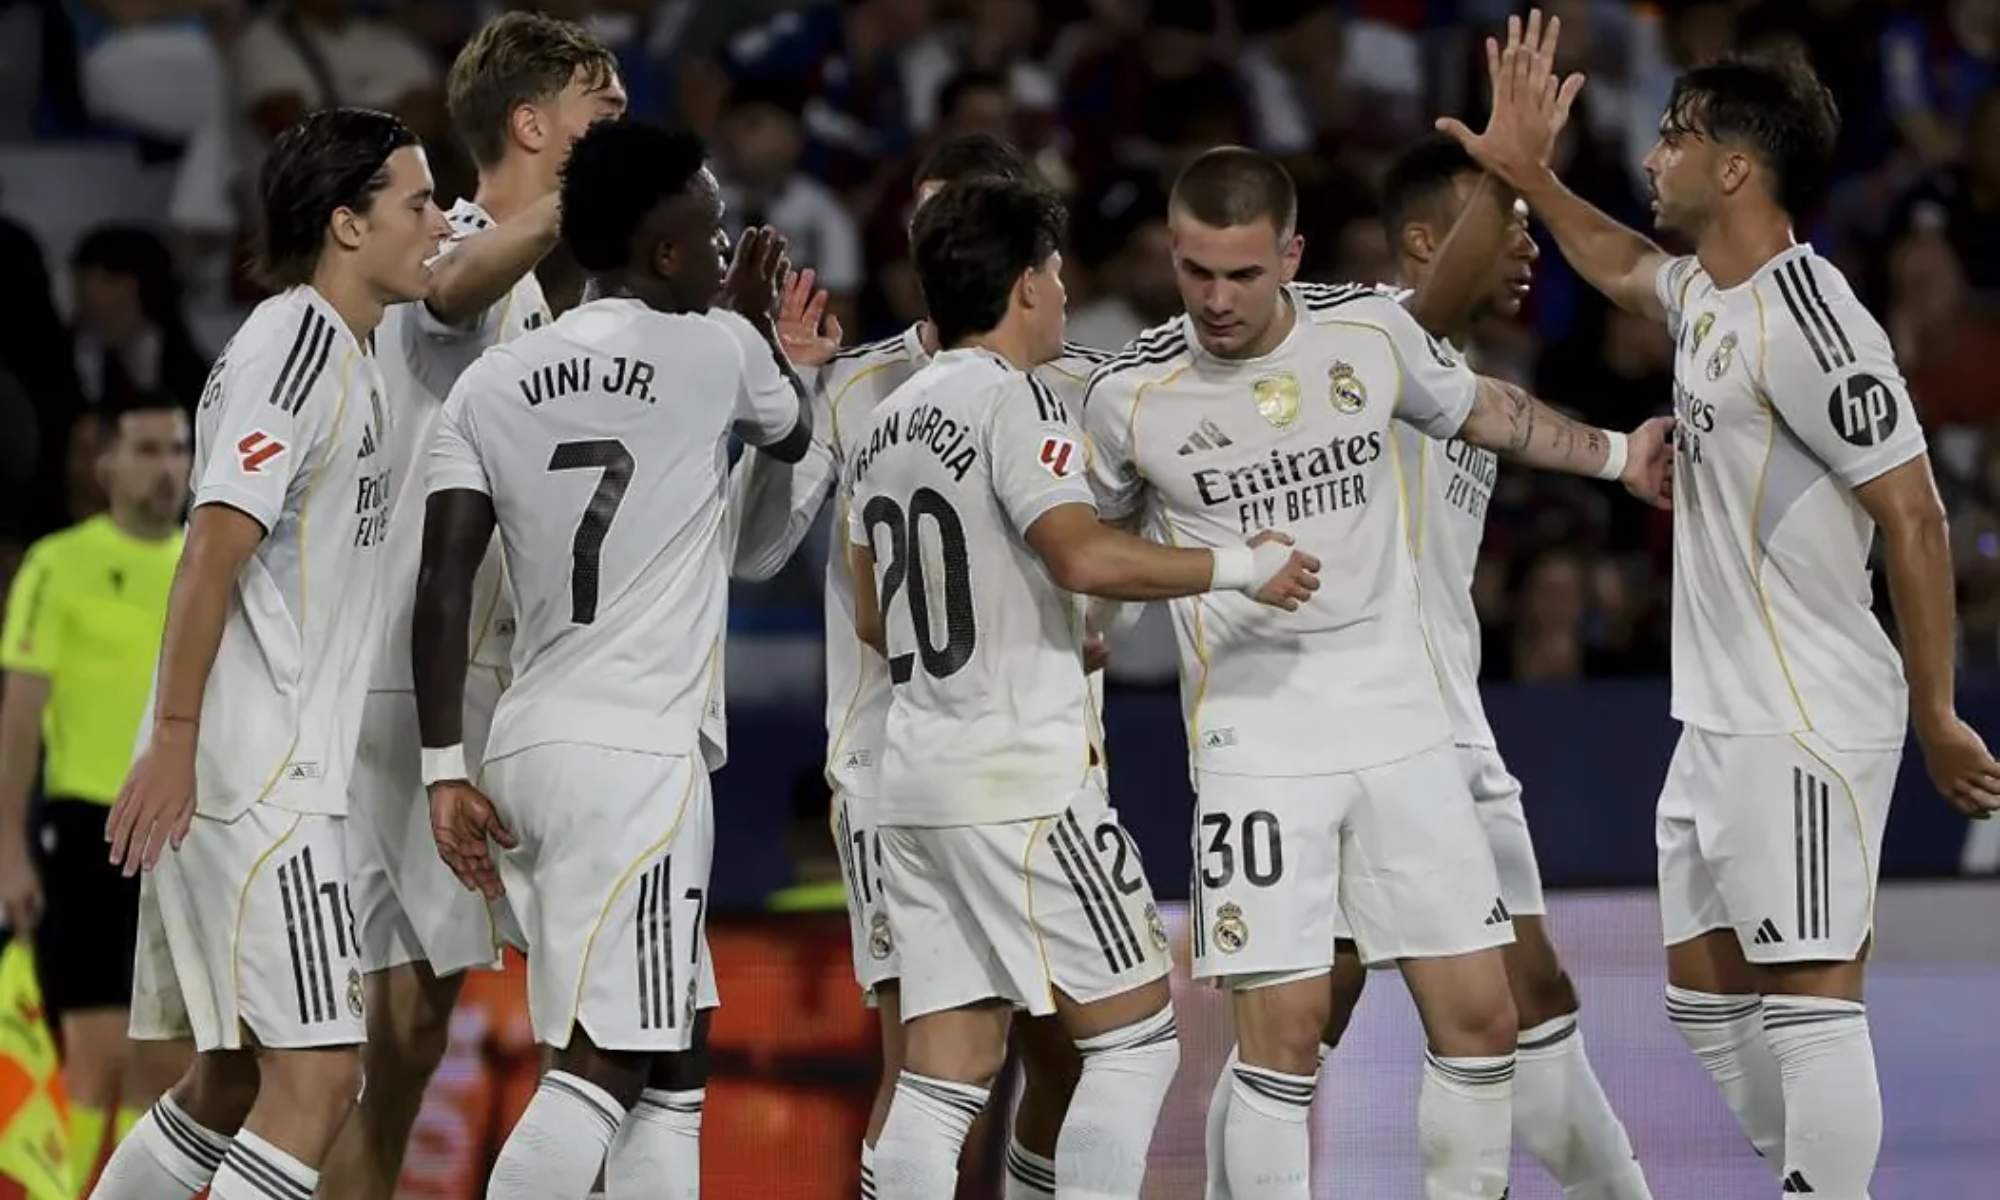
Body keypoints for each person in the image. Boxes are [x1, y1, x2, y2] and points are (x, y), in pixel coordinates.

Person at [1438, 15, 2000, 1197]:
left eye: (1669, 138)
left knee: (1806, 997)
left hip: (1803, 718)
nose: (1650, 158)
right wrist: (1524, 173)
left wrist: (1935, 710)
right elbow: (1621, 265)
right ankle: (1807, 1177)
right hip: (1718, 719)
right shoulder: (1706, 294)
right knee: (1700, 999)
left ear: (1732, 166)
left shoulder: (1815, 326)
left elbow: (1915, 517)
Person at [1081, 135, 1670, 1199]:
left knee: (1489, 1012)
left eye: (1242, 274)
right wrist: (1105, 617)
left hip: (1413, 733)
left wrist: (1619, 455)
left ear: (1290, 257)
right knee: (1290, 1030)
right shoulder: (1128, 396)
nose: (1216, 299)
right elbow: (1089, 542)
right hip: (1259, 748)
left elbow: (1484, 404)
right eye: (1194, 271)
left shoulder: (1371, 341)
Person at [848, 175, 1318, 1200]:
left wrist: (1033, 629)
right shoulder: (1013, 400)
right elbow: (1078, 556)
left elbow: (875, 618)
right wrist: (1241, 565)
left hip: (914, 783)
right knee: (1138, 1039)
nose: (1063, 292)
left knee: (940, 1081)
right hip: (1019, 781)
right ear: (1024, 287)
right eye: (1054, 274)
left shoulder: (885, 421)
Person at [411, 118, 810, 1200]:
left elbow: (444, 580)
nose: (727, 247)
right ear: (666, 254)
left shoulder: (489, 384)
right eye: (714, 231)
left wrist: (444, 763)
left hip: (526, 746)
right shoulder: (715, 348)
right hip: (638, 759)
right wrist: (763, 336)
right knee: (604, 1063)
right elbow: (790, 436)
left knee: (674, 1049)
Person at [728, 130, 1118, 1200]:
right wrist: (789, 404)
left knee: (1068, 1055)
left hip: (1052, 756)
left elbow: (1110, 544)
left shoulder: (1080, 385)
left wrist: (1098, 617)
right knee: (932, 1062)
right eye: (927, 217)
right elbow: (755, 548)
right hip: (891, 767)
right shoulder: (852, 384)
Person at [88, 106, 449, 1200]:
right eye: (418, 202)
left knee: (232, 1080)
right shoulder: (293, 350)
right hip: (257, 779)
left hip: (269, 771)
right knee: (322, 1079)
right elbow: (209, 550)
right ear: (346, 225)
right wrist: (179, 741)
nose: (439, 221)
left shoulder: (354, 348)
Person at [1294, 126, 1651, 1197]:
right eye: (1505, 221)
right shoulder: (1356, 339)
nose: (1525, 244)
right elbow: (1412, 318)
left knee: (1529, 995)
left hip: (1452, 728)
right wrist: (1511, 162)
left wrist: (1621, 456)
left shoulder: (1458, 377)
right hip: (1365, 738)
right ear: (1422, 241)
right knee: (1320, 1018)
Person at [323, 14, 627, 1197]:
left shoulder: (547, 300)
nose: (620, 130)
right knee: (404, 1037)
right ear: (533, 124)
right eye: (601, 114)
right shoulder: (441, 237)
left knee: (402, 1040)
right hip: (412, 694)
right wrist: (586, 199)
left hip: (470, 684)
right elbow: (449, 294)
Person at [0, 395, 192, 1195]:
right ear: (105, 462)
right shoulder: (59, 564)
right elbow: (20, 718)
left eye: (178, 450)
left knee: (171, 1060)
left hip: (182, 835)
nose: (166, 469)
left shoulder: (208, 566)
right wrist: (8, 847)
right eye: (146, 450)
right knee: (96, 1052)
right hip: (84, 828)